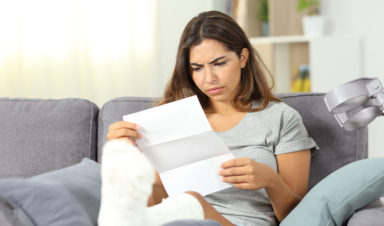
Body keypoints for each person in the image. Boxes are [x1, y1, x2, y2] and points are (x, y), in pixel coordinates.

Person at [102, 10, 318, 226]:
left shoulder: (281, 118)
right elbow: (152, 201)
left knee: (191, 202)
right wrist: (123, 155)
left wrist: (271, 181)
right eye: (197, 68)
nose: (209, 79)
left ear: (243, 58)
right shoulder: (171, 118)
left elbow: (299, 217)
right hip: (173, 219)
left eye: (219, 63)